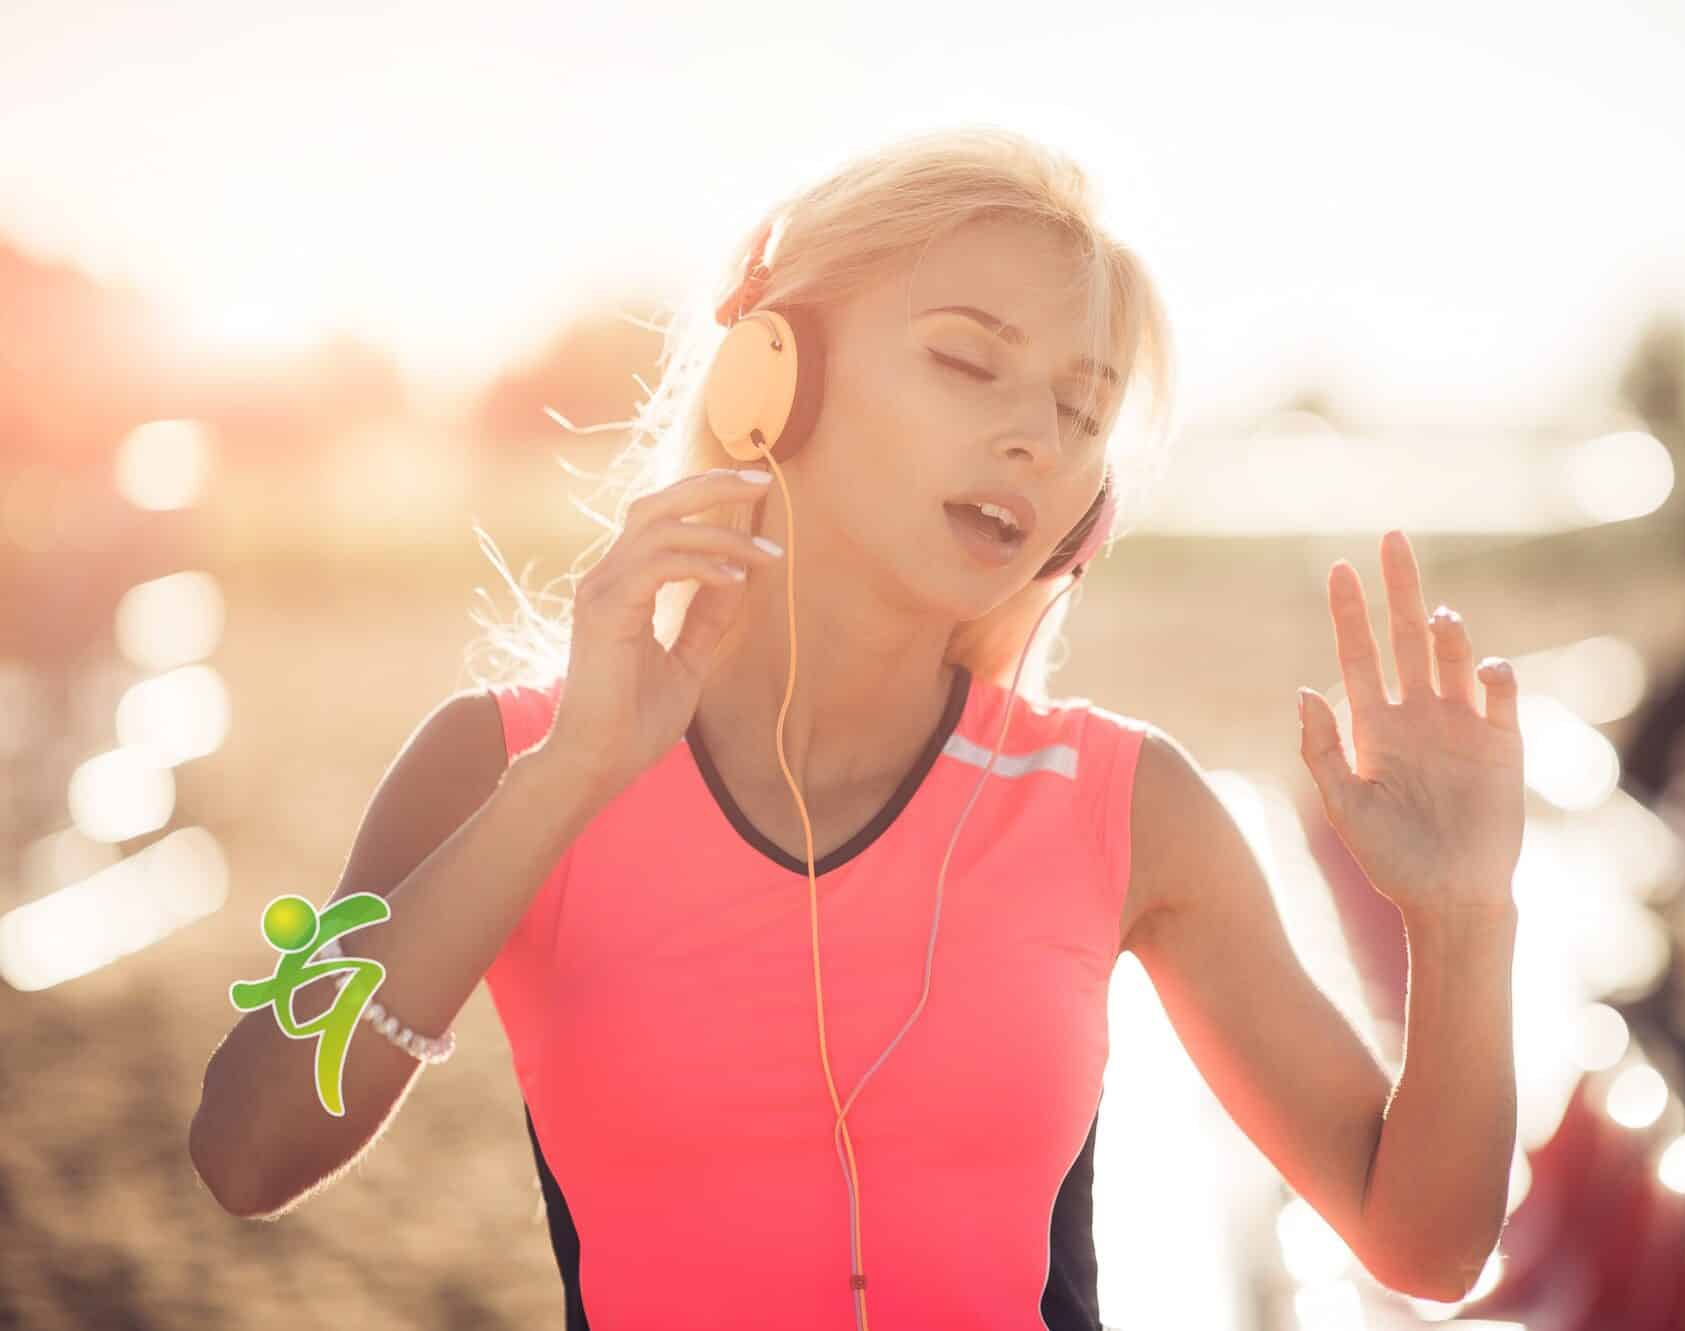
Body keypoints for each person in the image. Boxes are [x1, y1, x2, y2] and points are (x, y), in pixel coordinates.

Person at [190, 124, 1528, 1331]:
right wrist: (571, 777)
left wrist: (1464, 923)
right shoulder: (497, 763)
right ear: (775, 371)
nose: (1033, 442)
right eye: (967, 362)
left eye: (1082, 412)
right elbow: (246, 1154)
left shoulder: (1126, 804)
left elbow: (1427, 1246)